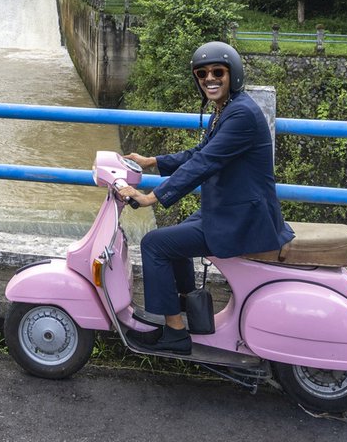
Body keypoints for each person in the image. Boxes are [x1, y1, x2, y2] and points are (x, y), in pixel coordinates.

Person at [118, 41, 294, 354]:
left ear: (233, 74)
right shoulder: (228, 109)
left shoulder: (240, 115)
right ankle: (188, 307)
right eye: (202, 74)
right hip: (230, 210)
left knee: (154, 244)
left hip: (240, 220)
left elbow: (205, 163)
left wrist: (151, 198)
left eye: (217, 72)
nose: (209, 78)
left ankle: (175, 333)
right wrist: (153, 162)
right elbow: (199, 153)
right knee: (173, 240)